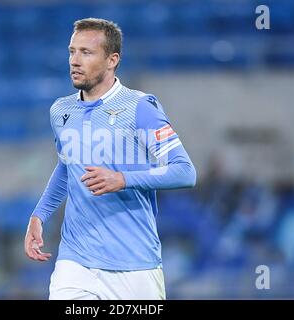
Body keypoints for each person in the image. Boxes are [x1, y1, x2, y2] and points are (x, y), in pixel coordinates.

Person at [24, 18, 196, 300]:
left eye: (86, 53)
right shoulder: (61, 111)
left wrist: (122, 180)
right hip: (75, 262)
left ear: (111, 60)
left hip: (134, 265)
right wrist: (39, 215)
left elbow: (185, 172)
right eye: (72, 51)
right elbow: (67, 167)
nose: (75, 61)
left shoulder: (140, 108)